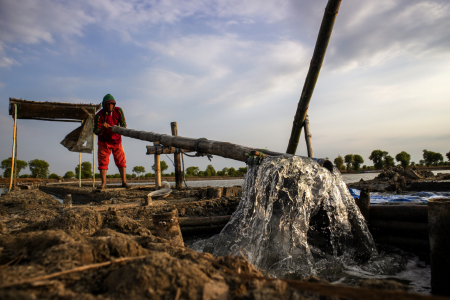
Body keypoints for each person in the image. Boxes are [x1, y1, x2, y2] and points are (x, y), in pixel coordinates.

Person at [94, 94, 130, 189]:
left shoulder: (119, 111)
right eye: (108, 104)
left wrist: (116, 129)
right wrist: (102, 128)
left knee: (121, 160)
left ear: (114, 105)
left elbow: (123, 125)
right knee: (103, 161)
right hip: (103, 141)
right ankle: (103, 183)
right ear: (104, 105)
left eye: (112, 104)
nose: (110, 106)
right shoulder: (98, 115)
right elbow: (96, 131)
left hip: (117, 141)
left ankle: (124, 182)